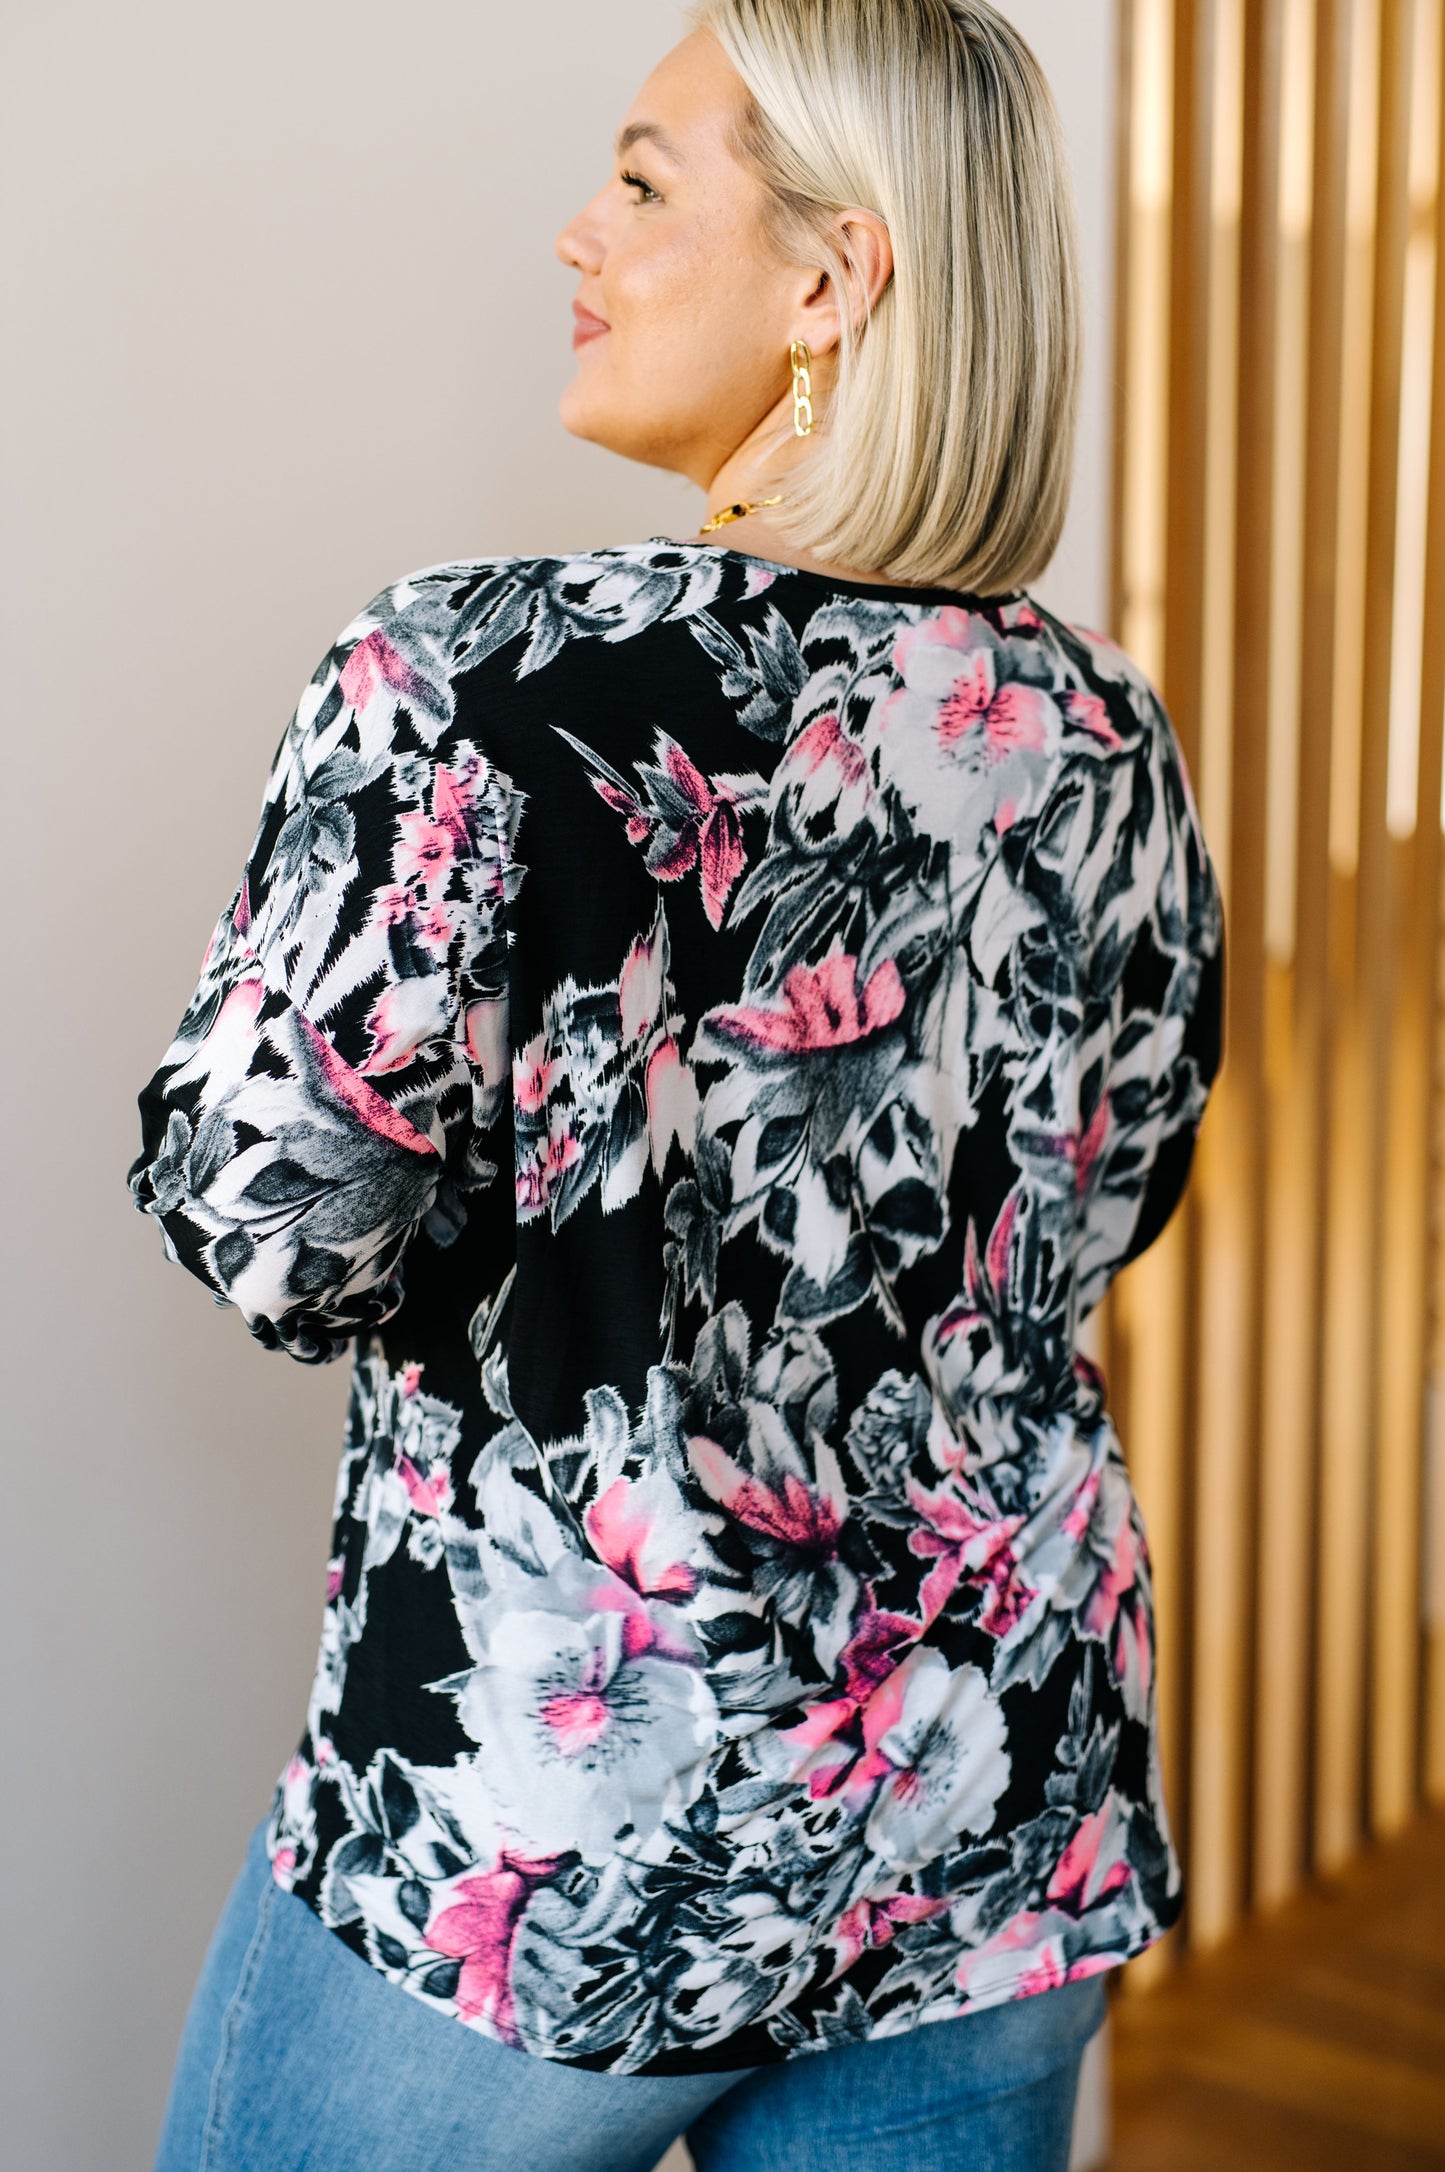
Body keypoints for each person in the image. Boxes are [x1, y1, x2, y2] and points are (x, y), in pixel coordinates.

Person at [131, 4, 1225, 2168]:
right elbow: (1112, 1192)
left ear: (832, 277)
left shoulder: (466, 681)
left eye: (642, 180)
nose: (581, 232)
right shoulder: (1104, 734)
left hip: (564, 1845)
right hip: (989, 1803)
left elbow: (276, 1233)